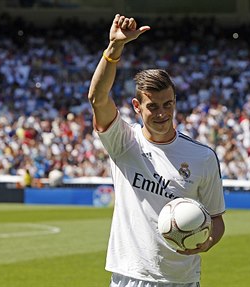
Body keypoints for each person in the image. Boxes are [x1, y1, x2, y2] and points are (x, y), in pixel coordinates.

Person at [88, 14, 226, 286]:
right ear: (137, 107)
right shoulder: (124, 141)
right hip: (131, 276)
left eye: (168, 104)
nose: (162, 113)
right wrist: (115, 48)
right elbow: (97, 98)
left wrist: (207, 241)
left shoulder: (203, 157)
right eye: (153, 106)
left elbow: (216, 219)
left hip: (182, 280)